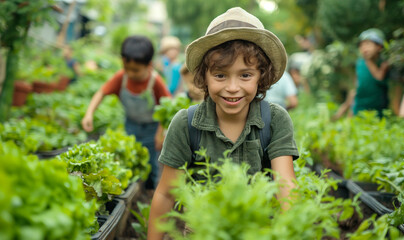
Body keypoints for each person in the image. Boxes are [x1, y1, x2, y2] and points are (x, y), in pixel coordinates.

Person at [147, 7, 299, 239]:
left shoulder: (274, 119)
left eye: (245, 75)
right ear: (204, 77)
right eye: (220, 75)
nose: (232, 87)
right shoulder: (186, 123)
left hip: (257, 231)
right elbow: (166, 194)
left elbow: (285, 186)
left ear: (262, 76)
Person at [81, 35, 171, 190]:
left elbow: (167, 110)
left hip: (151, 127)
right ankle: (130, 186)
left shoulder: (155, 82)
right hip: (131, 124)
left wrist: (160, 133)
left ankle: (150, 190)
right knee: (128, 158)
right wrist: (89, 114)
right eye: (126, 68)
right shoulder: (121, 78)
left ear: (149, 65)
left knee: (151, 162)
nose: (130, 73)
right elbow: (101, 93)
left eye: (135, 70)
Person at [333, 28, 389, 120]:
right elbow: (357, 82)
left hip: (377, 106)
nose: (364, 48)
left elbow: (379, 77)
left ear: (379, 47)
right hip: (360, 103)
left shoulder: (382, 64)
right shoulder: (360, 63)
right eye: (361, 45)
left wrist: (369, 61)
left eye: (368, 44)